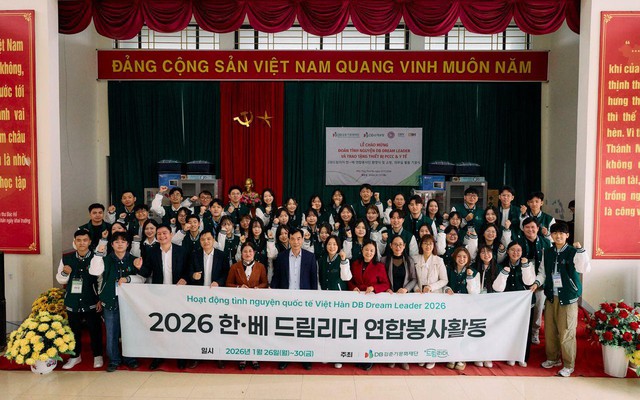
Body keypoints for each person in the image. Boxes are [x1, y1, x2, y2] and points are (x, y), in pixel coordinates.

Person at [530, 221, 590, 378]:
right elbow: (543, 272)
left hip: (568, 297)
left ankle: (569, 365)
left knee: (566, 332)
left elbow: (584, 268)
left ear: (567, 235)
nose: (558, 236)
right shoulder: (548, 252)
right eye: (555, 233)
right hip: (551, 296)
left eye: (561, 233)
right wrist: (537, 283)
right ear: (551, 235)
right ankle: (553, 358)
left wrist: (580, 250)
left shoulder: (573, 251)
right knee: (550, 330)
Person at [89, 231, 144, 372]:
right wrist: (99, 252)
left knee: (129, 331)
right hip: (110, 301)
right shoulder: (105, 260)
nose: (120, 244)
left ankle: (130, 358)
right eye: (117, 242)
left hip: (129, 302)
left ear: (128, 244)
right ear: (112, 245)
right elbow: (94, 271)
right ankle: (114, 360)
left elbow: (143, 279)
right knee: (111, 332)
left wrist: (129, 279)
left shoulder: (134, 259)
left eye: (123, 241)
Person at [138, 224, 190, 370]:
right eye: (159, 234)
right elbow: (146, 272)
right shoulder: (152, 252)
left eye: (165, 233)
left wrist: (185, 278)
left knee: (179, 325)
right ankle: (159, 356)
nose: (162, 236)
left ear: (171, 235)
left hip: (178, 295)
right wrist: (139, 267)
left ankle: (180, 356)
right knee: (161, 326)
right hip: (159, 295)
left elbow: (189, 269)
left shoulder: (182, 251)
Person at [271, 228, 318, 370]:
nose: (296, 242)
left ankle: (304, 357)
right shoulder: (281, 257)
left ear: (303, 240)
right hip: (286, 300)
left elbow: (313, 280)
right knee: (286, 329)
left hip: (304, 300)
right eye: (292, 239)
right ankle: (285, 356)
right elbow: (276, 278)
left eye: (298, 239)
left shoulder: (310, 257)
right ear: (289, 239)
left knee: (303, 329)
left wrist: (313, 300)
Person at [56, 229, 103, 370]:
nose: (82, 243)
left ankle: (98, 355)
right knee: (73, 330)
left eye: (85, 240)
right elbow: (60, 279)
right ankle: (75, 356)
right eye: (79, 240)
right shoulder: (67, 258)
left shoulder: (96, 257)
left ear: (89, 242)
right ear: (74, 242)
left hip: (91, 299)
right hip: (73, 300)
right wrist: (65, 272)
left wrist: (100, 298)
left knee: (95, 329)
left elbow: (100, 279)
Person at [348, 240, 391, 371]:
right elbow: (349, 280)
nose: (369, 253)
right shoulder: (355, 264)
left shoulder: (379, 266)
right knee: (357, 331)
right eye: (366, 249)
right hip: (357, 303)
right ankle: (358, 356)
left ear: (375, 252)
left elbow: (386, 284)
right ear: (362, 250)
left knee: (369, 332)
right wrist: (353, 287)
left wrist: (373, 287)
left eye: (372, 250)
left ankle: (369, 358)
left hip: (372, 305)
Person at [492, 241, 536, 367]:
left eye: (518, 250)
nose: (515, 253)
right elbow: (498, 287)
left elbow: (529, 282)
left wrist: (525, 266)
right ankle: (510, 355)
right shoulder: (501, 265)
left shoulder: (528, 264)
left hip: (525, 304)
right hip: (508, 305)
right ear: (507, 251)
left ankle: (522, 356)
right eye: (512, 250)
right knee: (509, 330)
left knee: (525, 330)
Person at [226, 242, 268, 370]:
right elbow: (228, 284)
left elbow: (265, 283)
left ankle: (254, 356)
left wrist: (257, 288)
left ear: (254, 253)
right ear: (241, 253)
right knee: (242, 330)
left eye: (250, 251)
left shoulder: (260, 266)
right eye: (245, 251)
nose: (248, 254)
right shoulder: (235, 267)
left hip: (256, 305)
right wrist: (239, 287)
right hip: (239, 305)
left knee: (254, 330)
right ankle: (242, 356)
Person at [381, 235, 417, 371]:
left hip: (404, 300)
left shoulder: (409, 260)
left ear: (404, 246)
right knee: (390, 329)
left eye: (401, 244)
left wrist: (406, 289)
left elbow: (414, 279)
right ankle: (391, 356)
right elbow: (381, 278)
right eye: (395, 244)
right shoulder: (384, 260)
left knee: (403, 329)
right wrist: (386, 288)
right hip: (388, 300)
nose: (398, 247)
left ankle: (403, 358)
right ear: (390, 246)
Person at [413, 234, 448, 369]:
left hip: (434, 299)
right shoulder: (415, 259)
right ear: (421, 245)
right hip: (418, 298)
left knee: (432, 328)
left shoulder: (439, 260)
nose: (428, 246)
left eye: (430, 244)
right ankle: (421, 354)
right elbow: (412, 278)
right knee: (420, 328)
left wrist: (431, 287)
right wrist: (416, 289)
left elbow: (444, 280)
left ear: (434, 246)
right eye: (425, 243)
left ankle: (431, 356)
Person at [317, 236, 352, 369]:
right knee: (326, 328)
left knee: (337, 329)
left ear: (338, 246)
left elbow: (346, 277)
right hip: (325, 300)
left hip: (339, 301)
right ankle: (326, 354)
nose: (332, 247)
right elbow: (319, 278)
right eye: (329, 244)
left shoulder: (343, 260)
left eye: (334, 244)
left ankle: (338, 356)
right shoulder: (321, 260)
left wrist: (343, 261)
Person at [443, 246, 479, 371]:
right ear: (454, 257)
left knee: (463, 332)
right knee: (452, 331)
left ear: (468, 258)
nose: (461, 259)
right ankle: (452, 355)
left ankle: (461, 358)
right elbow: (444, 284)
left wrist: (470, 278)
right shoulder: (448, 269)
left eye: (464, 257)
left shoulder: (474, 272)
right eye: (459, 256)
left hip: (466, 307)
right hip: (451, 306)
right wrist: (447, 289)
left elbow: (474, 292)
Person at [517, 217, 552, 345]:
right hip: (521, 281)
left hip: (540, 281)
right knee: (521, 309)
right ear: (523, 229)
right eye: (527, 227)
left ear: (538, 228)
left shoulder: (546, 243)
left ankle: (535, 332)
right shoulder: (518, 242)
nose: (530, 230)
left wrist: (539, 281)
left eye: (533, 227)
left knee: (538, 308)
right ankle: (521, 332)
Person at [469, 244, 499, 368]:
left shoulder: (498, 268)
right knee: (477, 329)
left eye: (488, 252)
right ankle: (477, 355)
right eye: (483, 252)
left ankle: (488, 355)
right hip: (476, 304)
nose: (486, 255)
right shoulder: (474, 268)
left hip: (492, 303)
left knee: (490, 330)